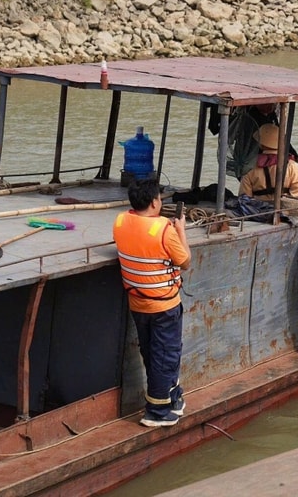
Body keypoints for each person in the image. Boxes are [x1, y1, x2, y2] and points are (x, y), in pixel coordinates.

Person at [113, 178, 191, 427]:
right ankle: (156, 411)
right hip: (164, 306)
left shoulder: (120, 221)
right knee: (166, 355)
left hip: (138, 304)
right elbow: (185, 261)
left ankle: (172, 397)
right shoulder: (164, 229)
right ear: (155, 202)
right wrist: (181, 231)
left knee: (153, 353)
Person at [239, 124, 298, 210]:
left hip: (258, 213)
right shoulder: (293, 167)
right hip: (286, 212)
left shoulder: (250, 167)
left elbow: (244, 198)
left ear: (260, 144)